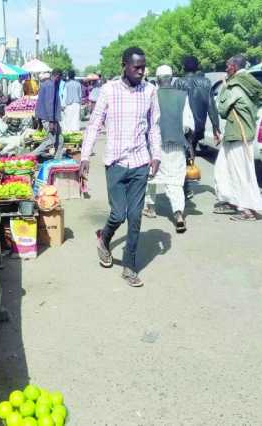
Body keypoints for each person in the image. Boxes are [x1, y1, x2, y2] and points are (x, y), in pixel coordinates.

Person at [80, 47, 161, 288]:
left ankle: (129, 266)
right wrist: (85, 156)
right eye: (136, 67)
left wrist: (156, 155)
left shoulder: (150, 91)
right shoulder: (109, 90)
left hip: (139, 162)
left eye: (143, 67)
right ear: (124, 65)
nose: (141, 71)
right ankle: (104, 240)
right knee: (118, 213)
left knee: (135, 216)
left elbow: (154, 126)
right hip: (115, 162)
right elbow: (94, 124)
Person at [213, 54, 262, 221]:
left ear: (234, 67)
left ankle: (246, 210)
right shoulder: (251, 82)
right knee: (223, 169)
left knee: (239, 172)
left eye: (228, 65)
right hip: (242, 133)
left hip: (237, 134)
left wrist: (224, 85)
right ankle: (231, 200)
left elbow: (221, 110)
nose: (226, 68)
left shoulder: (234, 85)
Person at [143, 65, 194, 233]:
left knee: (151, 176)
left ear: (157, 79)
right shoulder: (182, 96)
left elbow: (148, 122)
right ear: (171, 78)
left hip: (155, 145)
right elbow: (188, 124)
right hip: (176, 144)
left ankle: (150, 207)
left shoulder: (152, 94)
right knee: (175, 180)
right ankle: (178, 213)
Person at [174, 55, 222, 200]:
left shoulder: (178, 83)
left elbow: (174, 105)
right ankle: (186, 184)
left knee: (180, 155)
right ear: (197, 67)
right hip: (198, 126)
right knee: (190, 152)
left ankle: (183, 185)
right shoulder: (206, 83)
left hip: (182, 126)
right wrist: (216, 126)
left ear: (183, 67)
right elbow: (211, 106)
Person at [35, 68, 63, 158]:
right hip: (49, 118)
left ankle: (57, 159)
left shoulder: (46, 84)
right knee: (52, 140)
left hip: (49, 118)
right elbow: (49, 104)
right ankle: (31, 155)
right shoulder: (51, 86)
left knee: (60, 139)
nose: (60, 80)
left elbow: (41, 103)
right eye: (60, 78)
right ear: (57, 76)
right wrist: (51, 121)